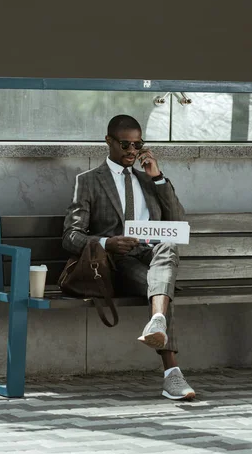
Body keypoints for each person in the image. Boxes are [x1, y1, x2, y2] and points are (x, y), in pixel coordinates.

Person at [63, 115, 195, 401]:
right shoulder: (88, 182)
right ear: (108, 141)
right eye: (125, 144)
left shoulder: (149, 180)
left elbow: (177, 221)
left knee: (168, 245)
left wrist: (158, 177)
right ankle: (171, 374)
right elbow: (70, 236)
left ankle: (157, 321)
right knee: (160, 288)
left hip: (154, 255)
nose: (132, 152)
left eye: (138, 144)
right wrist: (108, 243)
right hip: (120, 264)